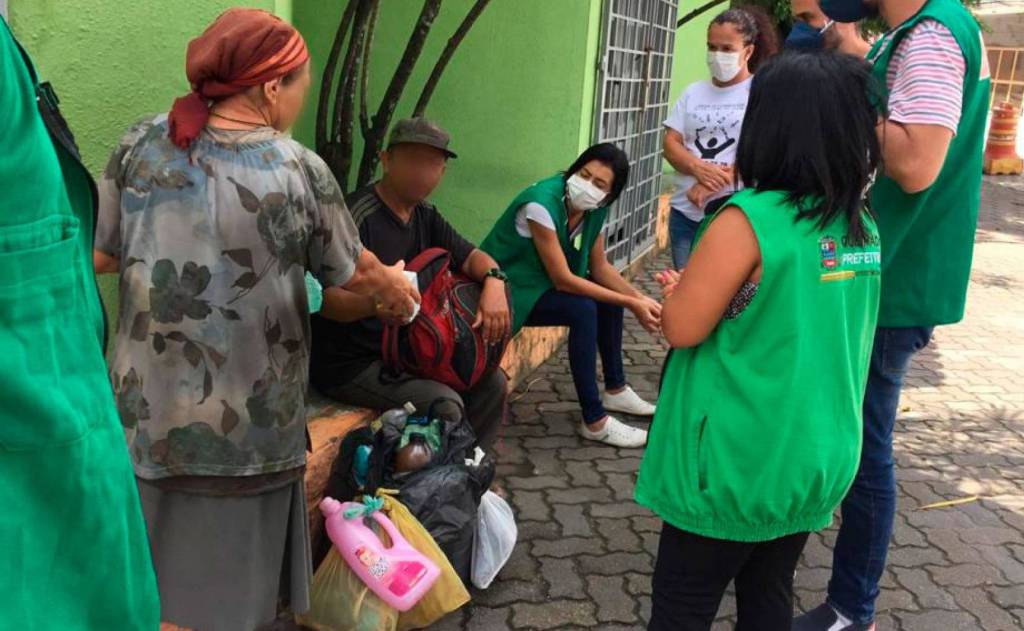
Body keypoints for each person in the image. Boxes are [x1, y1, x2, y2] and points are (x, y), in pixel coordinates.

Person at [93, 9, 417, 631]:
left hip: (146, 417)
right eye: (300, 85)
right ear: (272, 87)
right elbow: (351, 275)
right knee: (236, 600)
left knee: (147, 585)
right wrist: (397, 292)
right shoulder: (298, 169)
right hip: (251, 427)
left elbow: (104, 253)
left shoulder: (140, 142)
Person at [636, 50, 884, 631]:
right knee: (769, 590)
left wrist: (681, 296)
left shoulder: (748, 218)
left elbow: (682, 327)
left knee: (682, 605)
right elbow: (783, 309)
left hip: (736, 460)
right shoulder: (859, 224)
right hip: (813, 454)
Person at [793, 0, 991, 628]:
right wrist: (841, 44)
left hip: (894, 279)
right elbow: (892, 93)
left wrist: (837, 97)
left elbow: (913, 163)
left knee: (866, 450)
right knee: (855, 437)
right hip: (889, 270)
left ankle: (853, 608)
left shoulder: (933, 36)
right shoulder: (915, 33)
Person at [0, 16, 160, 630]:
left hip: (109, 399)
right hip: (43, 480)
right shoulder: (294, 167)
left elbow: (90, 247)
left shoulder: (142, 142)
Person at [311, 117, 509, 448]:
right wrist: (374, 306)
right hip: (352, 364)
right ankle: (430, 489)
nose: (422, 172)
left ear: (442, 172)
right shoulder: (355, 216)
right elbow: (325, 301)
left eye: (432, 163)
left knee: (492, 383)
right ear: (386, 160)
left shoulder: (425, 215)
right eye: (412, 159)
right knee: (445, 405)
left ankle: (472, 475)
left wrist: (495, 282)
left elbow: (473, 257)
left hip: (408, 352)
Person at [481, 144, 660, 448]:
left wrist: (643, 300)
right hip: (508, 288)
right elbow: (563, 280)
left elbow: (600, 267)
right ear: (574, 169)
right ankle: (595, 421)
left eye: (599, 184)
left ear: (609, 195)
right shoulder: (541, 204)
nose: (588, 185)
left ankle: (615, 389)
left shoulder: (595, 208)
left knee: (604, 297)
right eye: (584, 174)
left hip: (539, 285)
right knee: (583, 309)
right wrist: (631, 302)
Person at [662, 6, 778, 269]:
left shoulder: (761, 94)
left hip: (736, 214)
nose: (717, 56)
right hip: (685, 213)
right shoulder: (693, 92)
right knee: (684, 289)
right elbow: (671, 144)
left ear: (747, 51)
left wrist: (714, 181)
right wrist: (698, 168)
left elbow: (767, 153)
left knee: (728, 297)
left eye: (727, 49)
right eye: (711, 47)